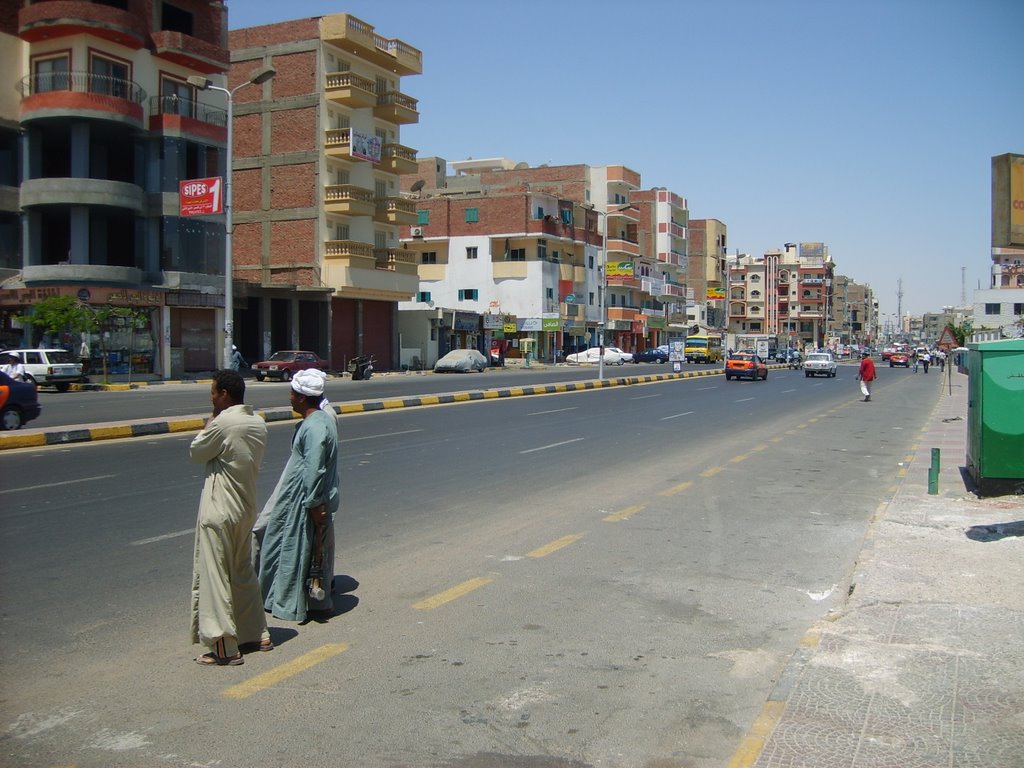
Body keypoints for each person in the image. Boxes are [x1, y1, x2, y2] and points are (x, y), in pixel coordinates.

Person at [189, 369, 271, 666]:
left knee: (215, 576)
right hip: (245, 507)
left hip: (219, 509)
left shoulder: (222, 423)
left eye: (213, 392)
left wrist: (211, 418)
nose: (211, 397)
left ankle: (224, 645)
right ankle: (257, 633)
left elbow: (197, 451)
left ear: (224, 394)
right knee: (242, 570)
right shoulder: (257, 423)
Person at [254, 368, 339, 623]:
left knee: (295, 549)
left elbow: (314, 467)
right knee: (304, 549)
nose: (289, 397)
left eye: (292, 393)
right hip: (299, 496)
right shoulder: (316, 422)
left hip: (303, 499)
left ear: (302, 397)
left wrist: (313, 503)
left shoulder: (316, 426)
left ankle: (290, 602)